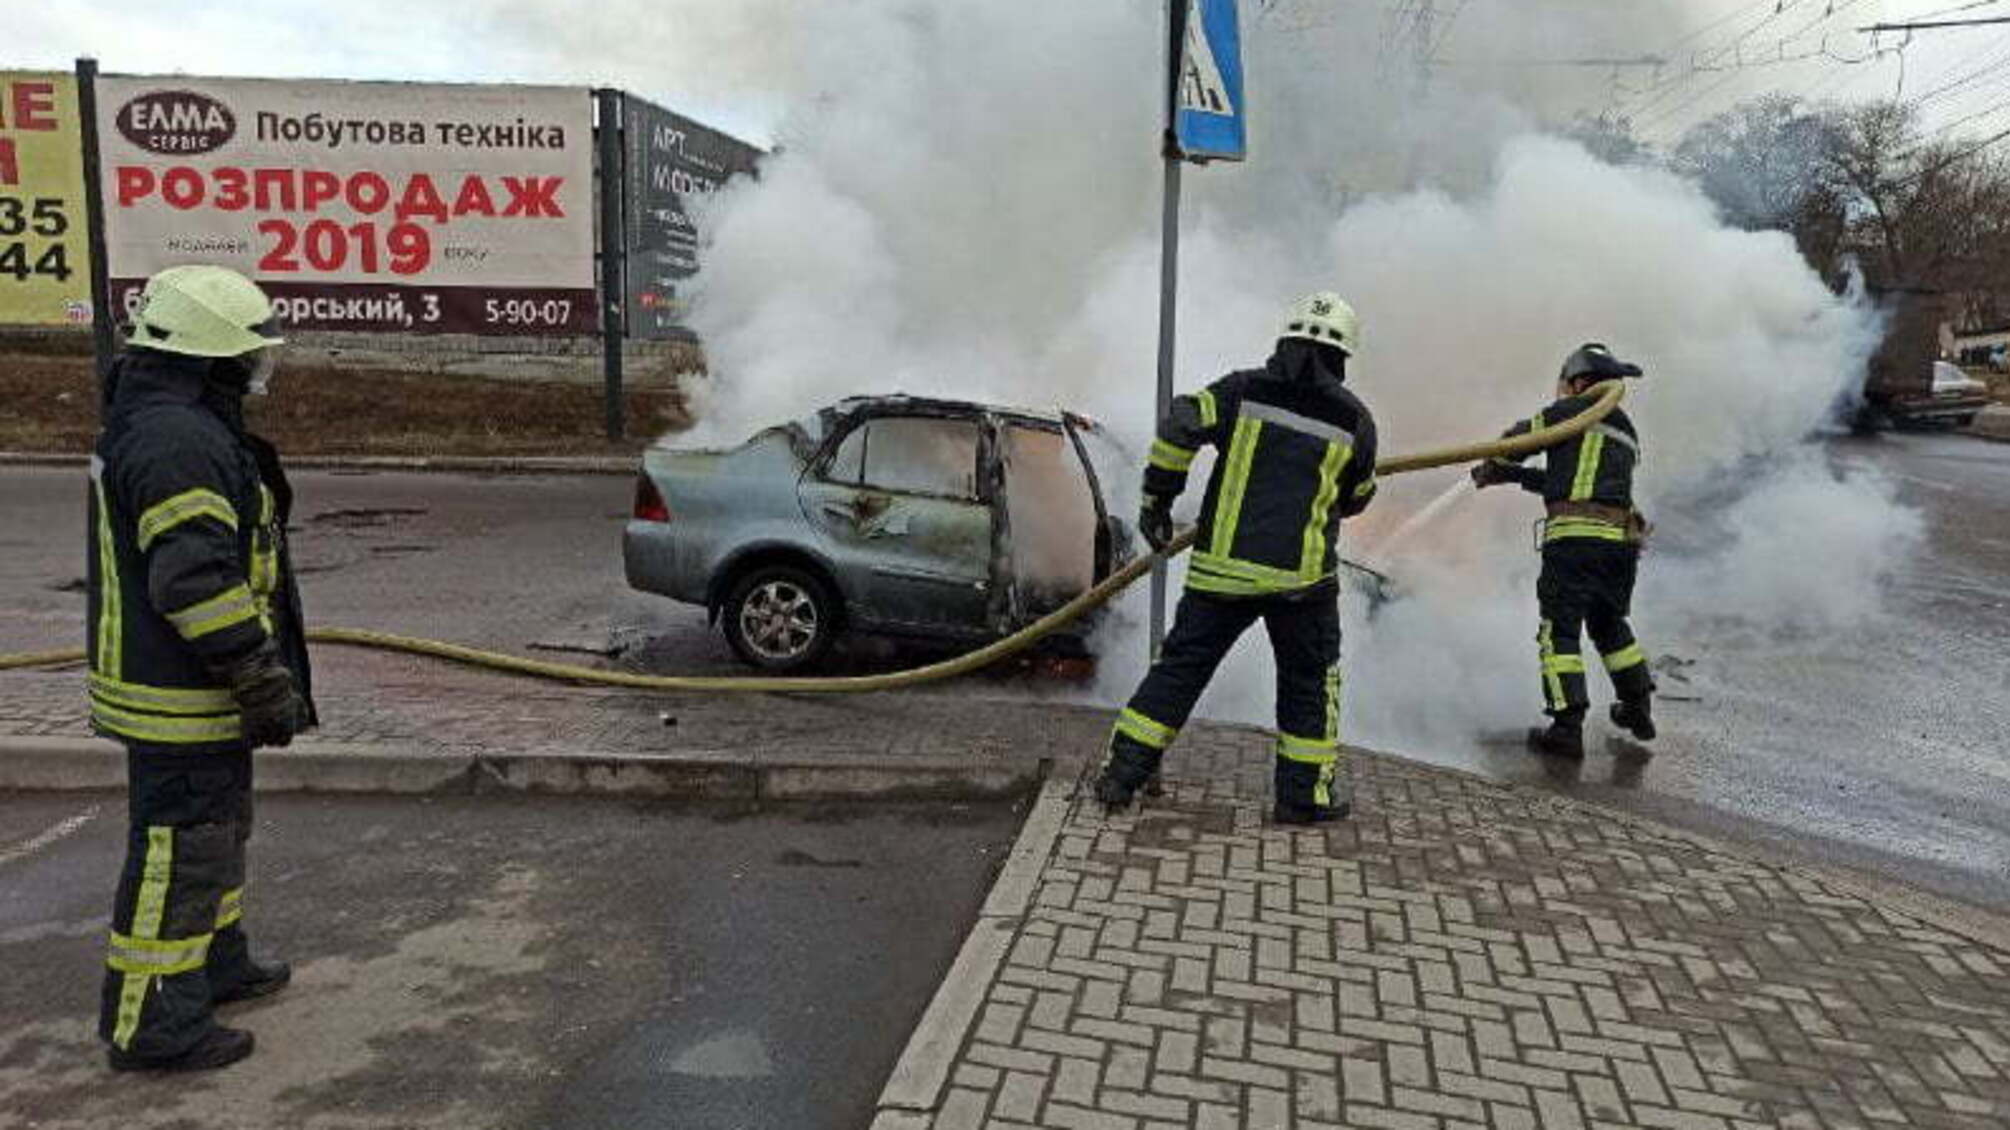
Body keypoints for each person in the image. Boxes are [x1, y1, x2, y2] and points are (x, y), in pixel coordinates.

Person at [87, 265, 314, 1072]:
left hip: (194, 690)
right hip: (180, 693)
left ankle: (214, 962)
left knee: (214, 839)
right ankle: (154, 1022)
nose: (258, 366)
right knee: (178, 854)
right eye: (248, 351)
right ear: (209, 356)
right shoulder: (176, 441)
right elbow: (191, 580)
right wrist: (254, 668)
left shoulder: (175, 420)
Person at [1095, 292, 1379, 823]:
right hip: (1302, 583)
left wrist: (1158, 501)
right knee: (1309, 685)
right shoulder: (1355, 420)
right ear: (1343, 355)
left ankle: (1120, 778)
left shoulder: (1240, 390)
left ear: (1285, 340)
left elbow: (1180, 425)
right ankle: (1302, 799)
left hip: (1222, 570)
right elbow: (1358, 496)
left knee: (1179, 672)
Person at [1471, 343, 1654, 759]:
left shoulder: (1569, 412)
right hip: (1618, 545)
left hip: (1575, 542)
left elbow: (1518, 441)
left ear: (1579, 380)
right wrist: (1513, 478)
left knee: (1560, 630)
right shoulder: (1625, 430)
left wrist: (1494, 464)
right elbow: (1568, 483)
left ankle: (1566, 729)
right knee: (1609, 626)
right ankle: (1637, 706)